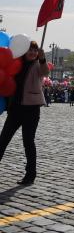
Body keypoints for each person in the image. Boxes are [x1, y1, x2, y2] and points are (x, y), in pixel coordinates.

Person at [0, 41, 49, 185]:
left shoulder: (38, 65)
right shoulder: (17, 63)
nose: (32, 53)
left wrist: (43, 58)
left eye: (35, 50)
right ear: (24, 51)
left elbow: (45, 72)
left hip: (31, 109)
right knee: (3, 140)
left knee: (28, 142)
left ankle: (30, 174)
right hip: (15, 108)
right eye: (30, 50)